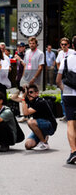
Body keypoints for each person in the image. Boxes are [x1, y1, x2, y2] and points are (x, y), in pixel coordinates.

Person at [15, 84, 57, 150]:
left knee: (30, 122)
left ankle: (44, 142)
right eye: (28, 92)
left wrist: (23, 99)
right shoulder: (30, 99)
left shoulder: (40, 102)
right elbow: (14, 98)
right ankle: (43, 136)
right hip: (39, 125)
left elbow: (26, 113)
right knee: (28, 145)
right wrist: (20, 90)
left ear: (37, 93)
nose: (29, 94)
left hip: (50, 126)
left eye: (31, 92)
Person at [56, 36, 76, 164]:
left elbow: (58, 81)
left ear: (72, 46)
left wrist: (65, 89)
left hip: (69, 94)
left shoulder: (67, 59)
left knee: (71, 123)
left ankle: (74, 151)